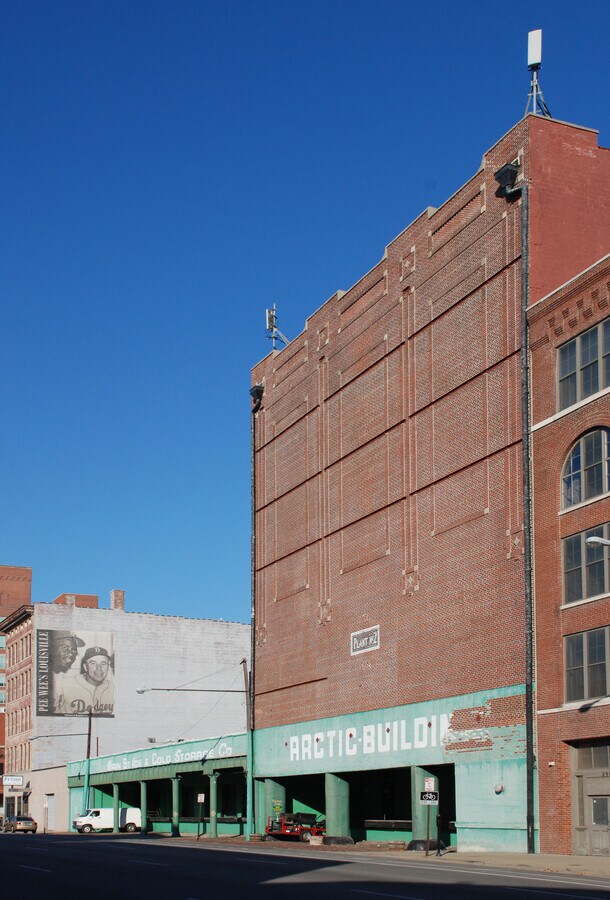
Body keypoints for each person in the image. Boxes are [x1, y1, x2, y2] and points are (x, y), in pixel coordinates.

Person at [59, 646, 115, 717]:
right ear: (85, 667)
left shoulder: (114, 688)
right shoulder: (65, 684)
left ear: (108, 667)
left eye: (103, 663)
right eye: (93, 663)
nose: (99, 668)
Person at [49, 631, 85, 714]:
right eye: (65, 648)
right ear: (52, 648)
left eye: (74, 651)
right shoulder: (41, 676)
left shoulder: (64, 680)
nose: (71, 654)